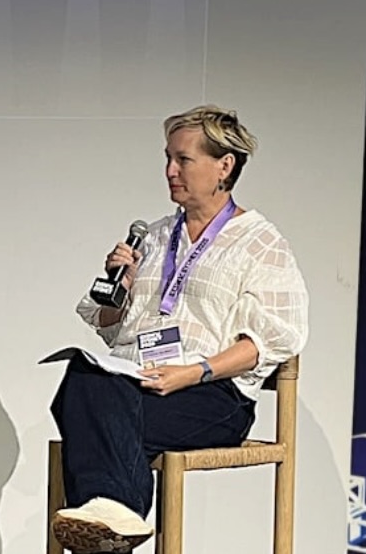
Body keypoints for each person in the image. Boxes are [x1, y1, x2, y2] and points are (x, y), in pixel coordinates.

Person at [50, 106, 310, 554]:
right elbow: (109, 326)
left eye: (183, 160)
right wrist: (121, 290)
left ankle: (113, 514)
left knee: (95, 418)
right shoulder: (153, 237)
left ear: (224, 166)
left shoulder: (260, 243)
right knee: (84, 374)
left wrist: (194, 372)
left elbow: (271, 341)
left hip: (210, 394)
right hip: (137, 380)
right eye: (167, 158)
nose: (170, 171)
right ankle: (114, 518)